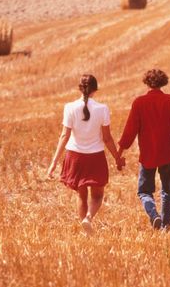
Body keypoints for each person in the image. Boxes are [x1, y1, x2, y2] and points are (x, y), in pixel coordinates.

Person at [47, 74, 124, 233]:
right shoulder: (102, 109)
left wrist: (53, 163)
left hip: (75, 156)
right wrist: (117, 157)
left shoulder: (69, 107)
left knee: (81, 196)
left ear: (79, 89)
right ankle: (88, 218)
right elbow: (107, 138)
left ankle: (85, 228)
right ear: (95, 89)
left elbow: (64, 136)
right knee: (97, 196)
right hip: (95, 157)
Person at [118, 69, 170, 231]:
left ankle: (154, 214)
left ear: (147, 82)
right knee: (167, 192)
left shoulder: (139, 103)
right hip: (167, 154)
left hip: (148, 155)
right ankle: (166, 225)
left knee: (144, 192)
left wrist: (120, 152)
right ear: (163, 82)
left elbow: (130, 130)